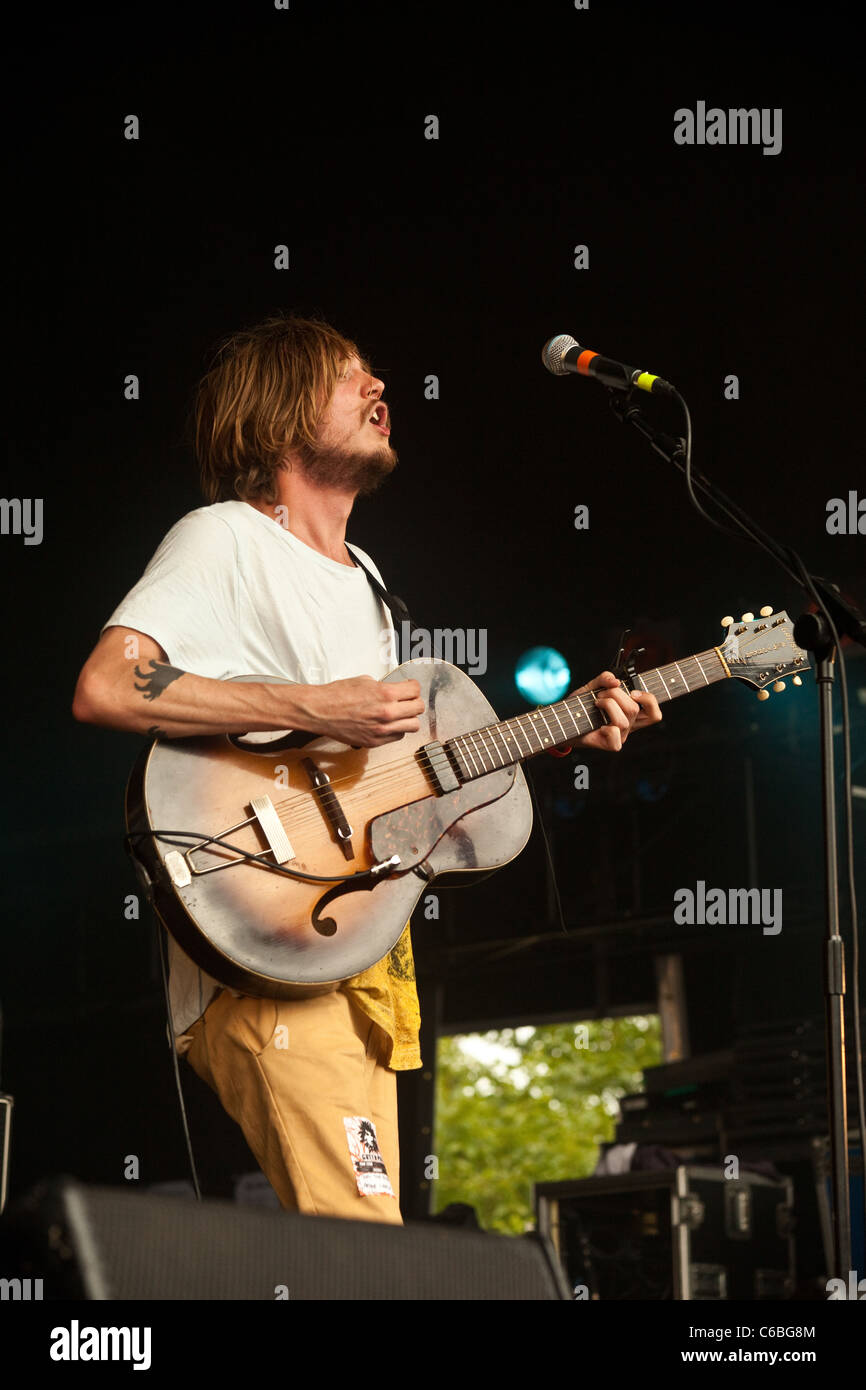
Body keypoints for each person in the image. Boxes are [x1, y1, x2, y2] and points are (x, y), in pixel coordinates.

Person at [72, 312, 662, 1225]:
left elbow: (385, 779)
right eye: (350, 377)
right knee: (367, 1257)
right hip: (265, 946)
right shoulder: (226, 538)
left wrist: (557, 729)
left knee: (363, 1259)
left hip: (355, 959)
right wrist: (310, 704)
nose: (379, 388)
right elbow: (109, 685)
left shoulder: (365, 578)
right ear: (278, 412)